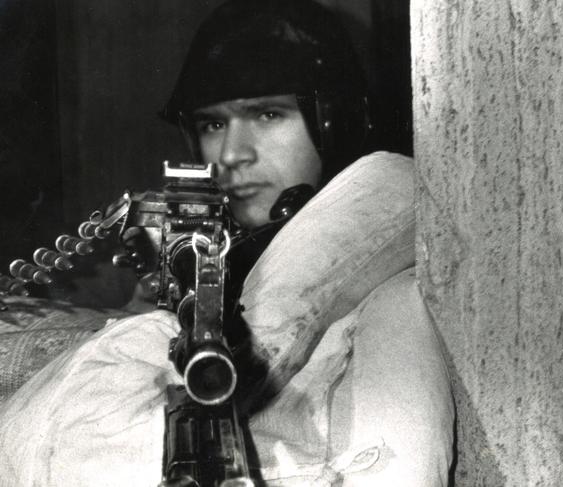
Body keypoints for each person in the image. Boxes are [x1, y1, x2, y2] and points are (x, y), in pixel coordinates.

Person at [0, 0, 454, 485]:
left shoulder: (389, 252)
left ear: (335, 119)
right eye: (212, 124)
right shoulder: (189, 249)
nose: (233, 154)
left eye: (268, 114)